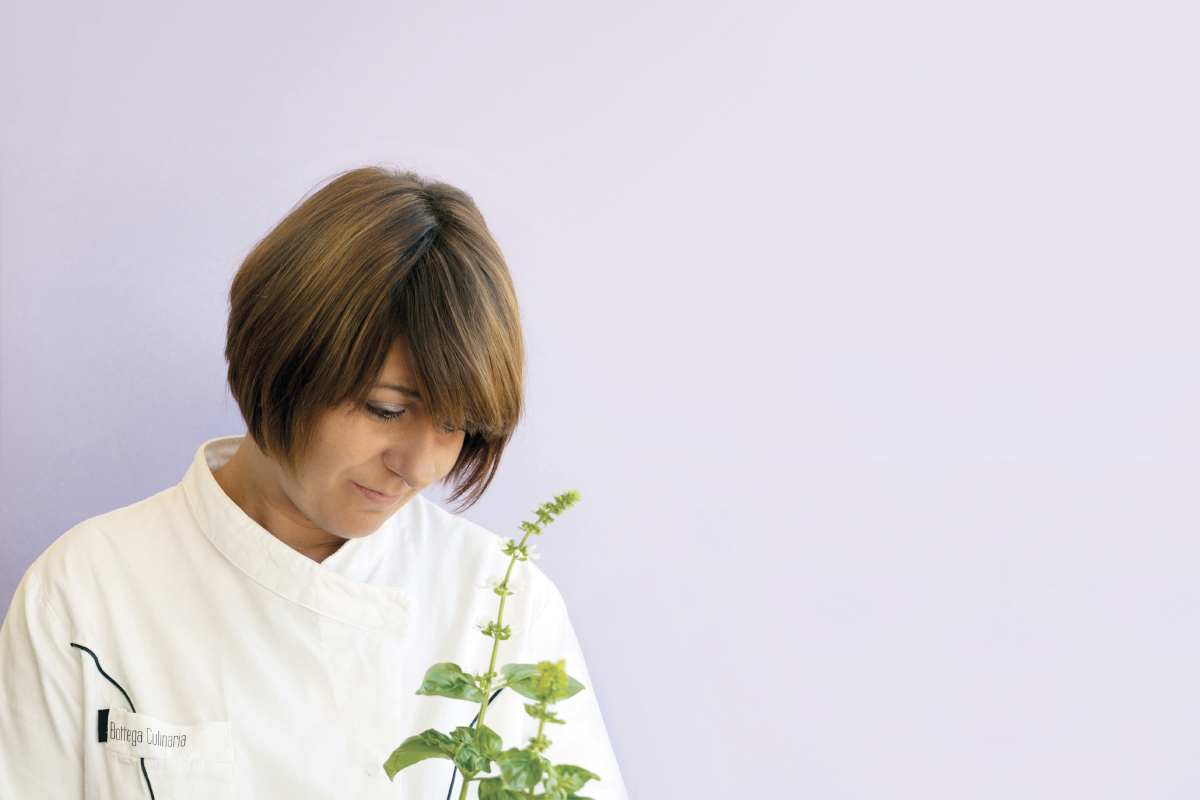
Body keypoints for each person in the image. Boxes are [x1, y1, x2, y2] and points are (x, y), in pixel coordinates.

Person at [0, 168, 627, 800]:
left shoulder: (502, 602)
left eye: (456, 426)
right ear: (284, 357)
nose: (420, 467)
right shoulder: (84, 594)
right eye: (386, 409)